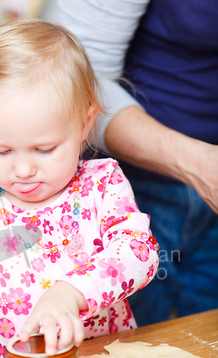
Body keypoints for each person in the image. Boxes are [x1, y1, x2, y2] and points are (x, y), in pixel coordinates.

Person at [0, 19, 158, 358]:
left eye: (44, 149)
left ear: (85, 124)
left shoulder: (102, 185)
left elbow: (139, 252)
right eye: (2, 151)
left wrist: (73, 293)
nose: (23, 170)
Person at [59, 0, 218, 326]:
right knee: (136, 348)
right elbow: (81, 79)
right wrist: (198, 162)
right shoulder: (110, 195)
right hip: (140, 183)